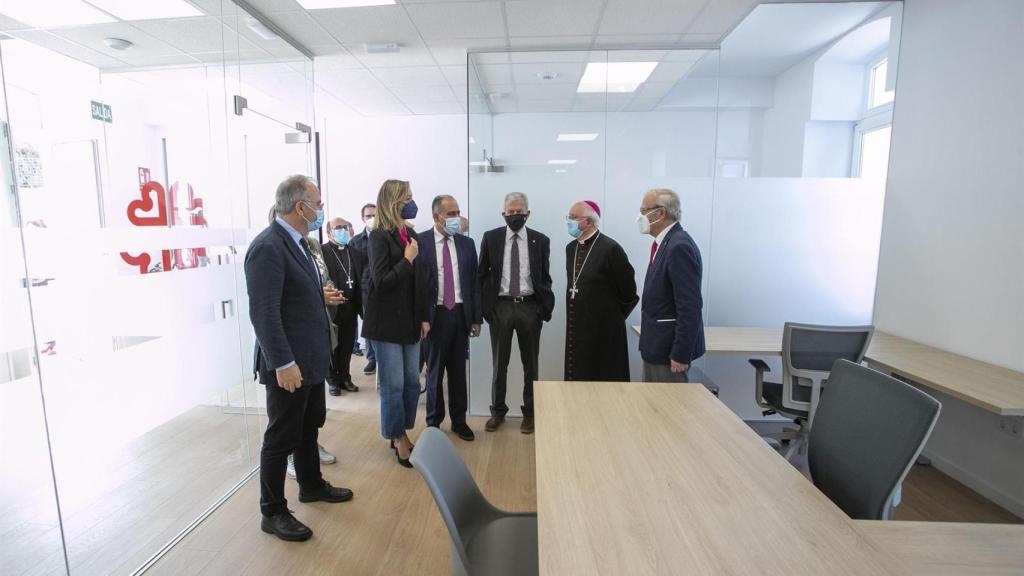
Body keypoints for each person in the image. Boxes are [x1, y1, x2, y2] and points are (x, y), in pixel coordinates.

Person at [245, 175, 353, 542]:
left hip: (310, 357)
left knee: (308, 428)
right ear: (299, 206)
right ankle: (272, 511)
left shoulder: (301, 243)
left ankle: (310, 484)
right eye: (317, 203)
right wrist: (283, 364)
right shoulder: (268, 247)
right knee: (281, 437)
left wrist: (319, 296)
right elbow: (264, 314)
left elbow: (290, 295)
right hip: (288, 363)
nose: (321, 209)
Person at [478, 192, 554, 434]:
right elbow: (482, 275)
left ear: (528, 214)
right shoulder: (491, 238)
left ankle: (530, 414)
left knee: (531, 364)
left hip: (530, 307)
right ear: (503, 214)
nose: (515, 216)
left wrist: (542, 309)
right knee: (499, 363)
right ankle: (497, 411)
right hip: (500, 306)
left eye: (519, 211)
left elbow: (544, 277)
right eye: (510, 212)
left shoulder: (541, 240)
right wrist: (487, 309)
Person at [362, 180, 424, 467]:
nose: (412, 202)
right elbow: (381, 282)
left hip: (410, 322)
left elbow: (420, 283)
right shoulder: (379, 237)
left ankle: (402, 429)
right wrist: (407, 261)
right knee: (394, 384)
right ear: (394, 201)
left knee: (412, 382)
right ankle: (397, 436)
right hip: (386, 324)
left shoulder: (409, 233)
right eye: (407, 197)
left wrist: (424, 317)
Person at [416, 195, 481, 441]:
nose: (456, 218)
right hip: (435, 316)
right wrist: (422, 317)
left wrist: (476, 318)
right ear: (437, 217)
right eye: (451, 213)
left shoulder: (466, 243)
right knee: (434, 372)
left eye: (457, 212)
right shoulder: (420, 242)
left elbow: (474, 282)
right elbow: (418, 286)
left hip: (461, 313)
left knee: (457, 372)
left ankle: (459, 420)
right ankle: (433, 422)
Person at [563, 200, 639, 381]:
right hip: (577, 325)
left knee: (603, 377)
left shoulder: (611, 248)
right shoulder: (571, 248)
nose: (569, 221)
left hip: (605, 330)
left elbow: (629, 292)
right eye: (569, 217)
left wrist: (610, 316)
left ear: (589, 222)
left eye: (574, 218)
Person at [637, 188, 705, 383]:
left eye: (644, 211)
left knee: (667, 409)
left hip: (668, 353)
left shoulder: (679, 246)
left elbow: (690, 306)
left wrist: (681, 353)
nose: (640, 217)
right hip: (656, 346)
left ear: (660, 213)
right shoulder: (666, 243)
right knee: (652, 406)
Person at [323, 217, 361, 396]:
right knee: (332, 346)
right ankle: (332, 380)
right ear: (328, 232)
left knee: (347, 345)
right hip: (331, 308)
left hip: (351, 306)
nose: (343, 230)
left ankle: (345, 377)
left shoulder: (354, 251)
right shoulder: (322, 252)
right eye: (338, 227)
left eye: (345, 227)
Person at [350, 203, 377, 375]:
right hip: (365, 290)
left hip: (385, 287)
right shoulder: (356, 242)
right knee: (369, 325)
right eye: (368, 216)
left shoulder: (386, 237)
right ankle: (372, 358)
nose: (372, 219)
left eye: (374, 215)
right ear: (362, 218)